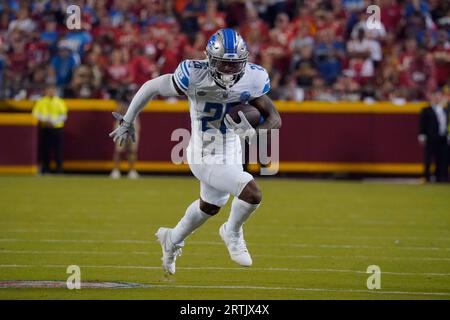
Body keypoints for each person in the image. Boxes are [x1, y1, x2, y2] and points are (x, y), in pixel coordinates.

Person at [109, 28, 281, 274]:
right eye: (223, 64)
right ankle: (232, 232)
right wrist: (127, 120)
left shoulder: (253, 77)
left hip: (231, 151)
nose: (229, 71)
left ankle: (172, 239)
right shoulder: (193, 73)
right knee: (252, 193)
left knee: (210, 205)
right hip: (203, 153)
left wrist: (255, 134)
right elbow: (151, 86)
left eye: (234, 65)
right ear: (210, 58)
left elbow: (274, 118)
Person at [32, 84, 68, 173]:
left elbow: (63, 115)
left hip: (57, 128)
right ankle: (45, 168)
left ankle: (59, 169)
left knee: (57, 150)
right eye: (49, 90)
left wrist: (54, 121)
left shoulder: (59, 101)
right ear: (45, 91)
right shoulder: (41, 101)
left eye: (52, 90)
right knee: (45, 149)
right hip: (45, 128)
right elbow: (35, 113)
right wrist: (45, 120)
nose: (50, 92)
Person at [418, 90, 449, 182]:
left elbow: (446, 123)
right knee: (428, 158)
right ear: (431, 97)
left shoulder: (444, 109)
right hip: (431, 137)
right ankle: (426, 177)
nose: (437, 98)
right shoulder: (426, 110)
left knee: (442, 158)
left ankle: (440, 177)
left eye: (439, 96)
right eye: (435, 96)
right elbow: (422, 123)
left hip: (442, 137)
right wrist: (422, 135)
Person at [110, 103, 140, 179]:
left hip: (133, 123)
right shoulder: (121, 98)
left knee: (132, 151)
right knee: (119, 151)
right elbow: (118, 110)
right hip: (122, 123)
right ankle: (116, 170)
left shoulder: (135, 96)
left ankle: (132, 171)